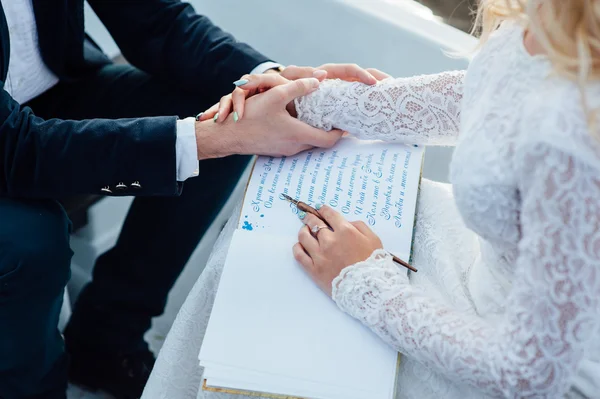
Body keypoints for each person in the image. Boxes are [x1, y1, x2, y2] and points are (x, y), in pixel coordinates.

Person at [144, 0, 600, 397]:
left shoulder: (571, 135)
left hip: (506, 350)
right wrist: (308, 102)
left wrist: (362, 281)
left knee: (269, 318)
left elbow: (531, 373)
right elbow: (484, 96)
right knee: (243, 263)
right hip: (482, 265)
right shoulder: (546, 16)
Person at [0, 1, 382, 398]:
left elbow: (157, 20)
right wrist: (211, 140)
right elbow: (14, 148)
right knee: (33, 238)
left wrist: (273, 80)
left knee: (223, 110)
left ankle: (106, 340)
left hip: (45, 95)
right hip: (10, 139)